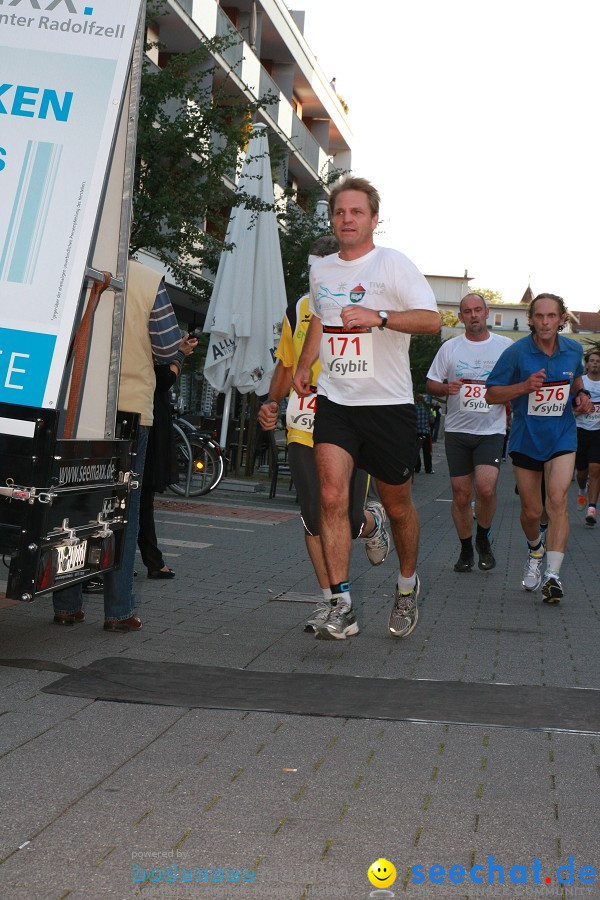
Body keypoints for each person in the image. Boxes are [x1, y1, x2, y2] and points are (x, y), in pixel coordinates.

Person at [292, 175, 440, 640]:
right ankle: (341, 603)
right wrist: (303, 364)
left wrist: (379, 317)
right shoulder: (323, 270)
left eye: (356, 212)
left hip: (388, 403)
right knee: (332, 497)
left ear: (374, 219)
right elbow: (319, 317)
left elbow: (433, 320)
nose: (346, 219)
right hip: (337, 400)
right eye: (339, 212)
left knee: (397, 507)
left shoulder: (392, 264)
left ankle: (406, 586)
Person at [257, 234, 391, 635]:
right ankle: (333, 603)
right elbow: (286, 362)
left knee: (345, 518)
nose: (320, 277)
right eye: (314, 271)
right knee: (313, 515)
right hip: (303, 420)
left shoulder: (367, 302)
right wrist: (271, 402)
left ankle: (370, 521)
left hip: (353, 420)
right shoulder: (298, 309)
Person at [52, 257, 190, 631]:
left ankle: (66, 604)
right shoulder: (147, 279)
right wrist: (176, 355)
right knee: (122, 511)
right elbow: (164, 349)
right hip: (129, 409)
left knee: (74, 503)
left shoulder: (70, 265)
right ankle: (118, 611)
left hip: (75, 405)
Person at [485, 293, 592, 602]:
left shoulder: (573, 349)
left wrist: (581, 397)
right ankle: (535, 551)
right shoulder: (516, 353)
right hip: (526, 437)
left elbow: (575, 381)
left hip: (562, 435)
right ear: (531, 319)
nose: (546, 322)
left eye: (552, 316)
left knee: (557, 500)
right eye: (540, 316)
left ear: (561, 320)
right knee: (532, 512)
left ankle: (553, 576)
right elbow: (491, 394)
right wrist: (523, 386)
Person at [426, 292, 512, 572]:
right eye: (467, 311)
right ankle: (465, 549)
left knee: (486, 489)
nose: (473, 315)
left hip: (491, 430)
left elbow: (518, 381)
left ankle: (483, 539)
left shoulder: (505, 346)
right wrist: (445, 388)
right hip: (457, 431)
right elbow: (430, 383)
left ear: (487, 312)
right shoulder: (450, 348)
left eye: (478, 309)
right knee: (461, 495)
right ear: (461, 316)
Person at [574, 349, 600, 526]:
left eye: (598, 361)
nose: (595, 364)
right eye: (592, 361)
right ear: (586, 364)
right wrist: (579, 410)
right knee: (582, 473)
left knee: (595, 469)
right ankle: (582, 490)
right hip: (580, 431)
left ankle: (592, 508)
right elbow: (569, 411)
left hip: (598, 433)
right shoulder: (580, 383)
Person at [413, 394, 433, 474]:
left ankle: (417, 468)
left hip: (416, 433)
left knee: (416, 451)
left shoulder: (414, 408)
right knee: (427, 452)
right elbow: (432, 420)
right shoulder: (427, 408)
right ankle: (428, 469)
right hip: (426, 432)